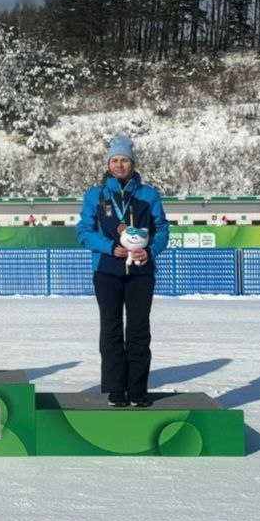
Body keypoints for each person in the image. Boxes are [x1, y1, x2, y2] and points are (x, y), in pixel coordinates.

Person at [76, 134, 168, 408]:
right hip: (107, 271)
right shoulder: (96, 196)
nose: (119, 165)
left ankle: (138, 390)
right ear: (108, 164)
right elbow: (83, 232)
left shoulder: (149, 195)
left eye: (124, 160)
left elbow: (162, 231)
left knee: (139, 330)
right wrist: (108, 247)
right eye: (114, 160)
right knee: (112, 329)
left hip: (141, 271)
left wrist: (149, 251)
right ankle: (115, 390)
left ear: (132, 163)